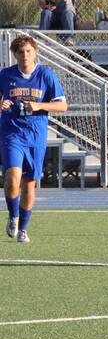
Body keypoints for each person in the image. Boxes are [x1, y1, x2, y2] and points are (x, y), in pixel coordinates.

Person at [1, 35, 67, 243]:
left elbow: (62, 105)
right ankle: (13, 216)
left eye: (28, 51)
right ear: (14, 55)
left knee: (29, 184)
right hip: (12, 133)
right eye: (21, 52)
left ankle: (23, 229)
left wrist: (40, 105)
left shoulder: (46, 75)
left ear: (35, 52)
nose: (25, 55)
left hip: (36, 135)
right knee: (13, 176)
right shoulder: (5, 75)